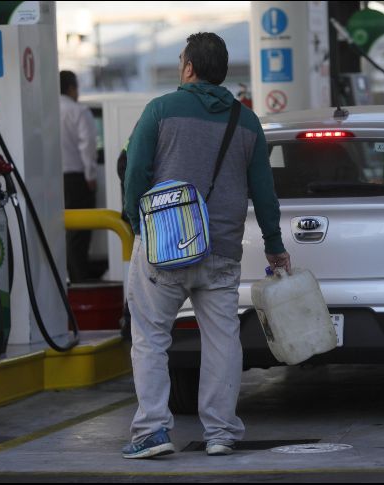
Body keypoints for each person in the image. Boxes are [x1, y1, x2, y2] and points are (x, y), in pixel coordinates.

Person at [121, 32, 291, 459]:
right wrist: (274, 245)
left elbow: (135, 171)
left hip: (164, 246)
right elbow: (264, 192)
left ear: (189, 67)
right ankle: (221, 432)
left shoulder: (160, 110)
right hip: (221, 249)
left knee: (151, 337)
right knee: (221, 340)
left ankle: (152, 431)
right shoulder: (246, 121)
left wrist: (137, 225)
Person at [59, 70, 98, 282]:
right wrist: (90, 174)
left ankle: (66, 277)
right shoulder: (78, 111)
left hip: (52, 179)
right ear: (71, 88)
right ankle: (80, 280)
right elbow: (88, 145)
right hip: (76, 178)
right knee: (79, 233)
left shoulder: (45, 111)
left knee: (60, 230)